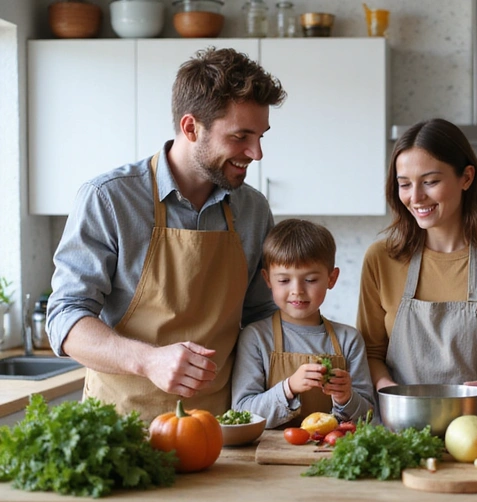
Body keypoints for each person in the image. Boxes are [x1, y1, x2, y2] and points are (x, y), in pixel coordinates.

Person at [46, 47, 286, 422]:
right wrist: (148, 360)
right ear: (191, 127)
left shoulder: (252, 209)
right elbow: (65, 318)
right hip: (121, 425)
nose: (256, 153)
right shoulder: (109, 198)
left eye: (260, 136)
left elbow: (263, 315)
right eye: (241, 136)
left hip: (222, 428)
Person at [357, 118, 477, 391]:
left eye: (430, 181)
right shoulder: (381, 259)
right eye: (405, 184)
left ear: (466, 178)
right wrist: (393, 395)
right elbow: (369, 353)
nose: (416, 197)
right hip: (399, 427)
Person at [232, 219, 375, 428]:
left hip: (330, 452)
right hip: (272, 452)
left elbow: (368, 416)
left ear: (332, 278)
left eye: (310, 280)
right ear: (267, 279)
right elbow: (242, 412)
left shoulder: (349, 340)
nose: (297, 290)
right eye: (284, 280)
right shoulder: (255, 337)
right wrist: (289, 388)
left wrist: (346, 398)